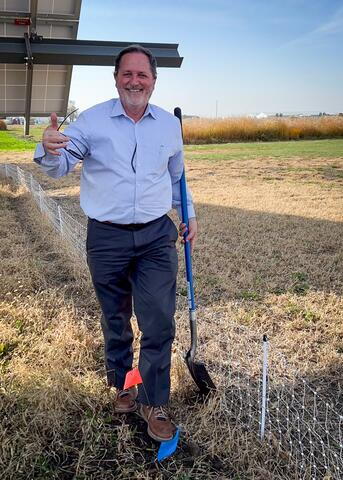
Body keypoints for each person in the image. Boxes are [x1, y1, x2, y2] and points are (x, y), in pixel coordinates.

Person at [33, 44, 197, 442]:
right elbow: (60, 164)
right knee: (116, 316)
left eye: (142, 75)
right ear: (116, 78)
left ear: (154, 81)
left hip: (158, 235)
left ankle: (153, 401)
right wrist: (48, 146)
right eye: (128, 74)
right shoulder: (91, 122)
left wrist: (188, 214)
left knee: (158, 318)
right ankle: (125, 383)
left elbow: (177, 176)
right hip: (106, 237)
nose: (134, 81)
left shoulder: (168, 125)